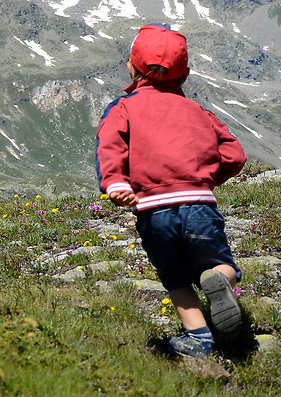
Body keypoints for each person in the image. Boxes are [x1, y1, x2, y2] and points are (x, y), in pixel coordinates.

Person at [95, 24, 247, 359]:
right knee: (221, 263)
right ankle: (219, 279)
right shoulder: (199, 111)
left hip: (153, 209)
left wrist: (117, 183)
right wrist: (204, 178)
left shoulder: (123, 108)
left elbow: (110, 145)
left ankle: (200, 339)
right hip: (200, 205)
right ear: (186, 74)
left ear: (132, 68)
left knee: (176, 279)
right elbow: (235, 155)